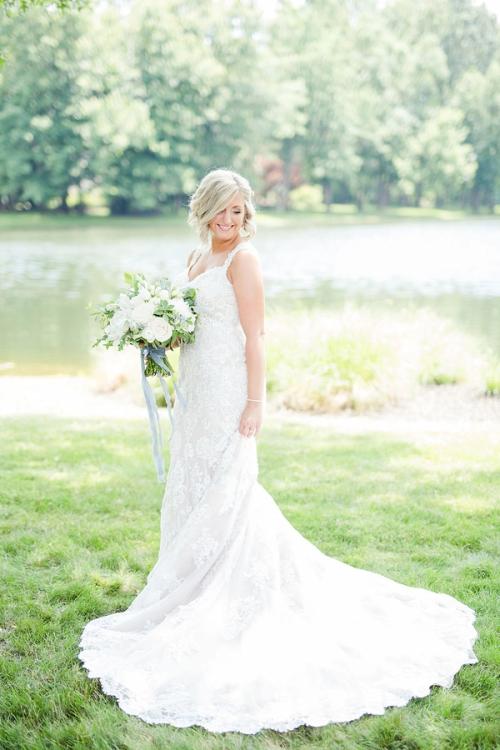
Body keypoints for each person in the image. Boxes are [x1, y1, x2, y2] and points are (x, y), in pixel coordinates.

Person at [78, 168, 478, 734]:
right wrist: (151, 333)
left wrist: (257, 401)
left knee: (231, 490)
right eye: (221, 210)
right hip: (195, 395)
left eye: (238, 212)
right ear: (203, 209)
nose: (229, 221)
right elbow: (188, 329)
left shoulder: (245, 260)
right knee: (194, 485)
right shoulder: (195, 262)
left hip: (228, 393)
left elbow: (255, 335)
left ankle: (228, 593)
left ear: (246, 217)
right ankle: (187, 583)